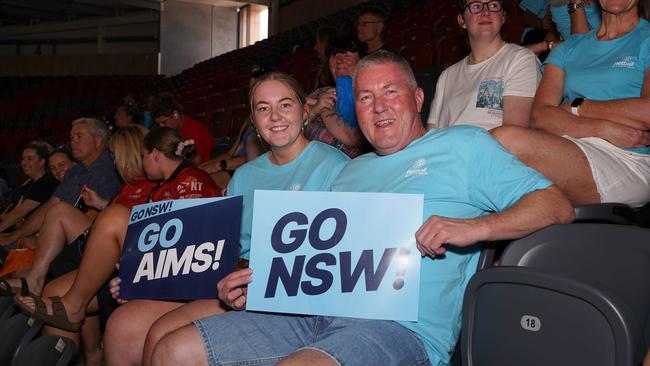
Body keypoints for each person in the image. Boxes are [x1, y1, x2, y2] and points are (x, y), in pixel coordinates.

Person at [149, 51, 573, 366]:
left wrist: (474, 227)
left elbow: (556, 206)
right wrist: (250, 287)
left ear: (419, 97)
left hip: (398, 329)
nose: (379, 106)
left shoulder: (462, 145)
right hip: (312, 314)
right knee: (172, 351)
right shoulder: (350, 172)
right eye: (366, 98)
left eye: (391, 92)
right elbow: (315, 261)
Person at [104, 72, 349, 366]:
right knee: (122, 324)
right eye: (263, 108)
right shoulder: (245, 175)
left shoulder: (336, 168)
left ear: (304, 111)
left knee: (162, 335)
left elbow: (341, 260)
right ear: (254, 121)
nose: (274, 116)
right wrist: (141, 276)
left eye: (285, 105)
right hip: (234, 286)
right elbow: (211, 249)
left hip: (288, 299)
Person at [13, 125, 156, 366]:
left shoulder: (159, 185)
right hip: (104, 252)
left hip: (131, 262)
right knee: (55, 285)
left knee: (58, 291)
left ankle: (88, 352)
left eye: (118, 156)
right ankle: (89, 355)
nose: (115, 162)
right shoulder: (126, 187)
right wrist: (101, 204)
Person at [491, 0, 650, 207]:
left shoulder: (646, 39)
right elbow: (540, 117)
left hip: (626, 159)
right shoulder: (569, 48)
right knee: (474, 146)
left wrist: (580, 106)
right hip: (570, 145)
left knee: (504, 141)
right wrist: (604, 128)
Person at [0, 117, 122, 295]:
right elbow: (50, 205)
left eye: (79, 136)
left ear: (97, 140)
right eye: (71, 137)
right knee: (15, 268)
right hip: (65, 239)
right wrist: (14, 235)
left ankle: (35, 281)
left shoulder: (106, 169)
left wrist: (38, 241)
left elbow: (96, 219)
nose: (73, 141)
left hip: (93, 242)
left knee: (59, 213)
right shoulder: (75, 171)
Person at [427, 0, 541, 130]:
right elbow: (432, 137)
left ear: (503, 17)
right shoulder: (446, 76)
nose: (486, 12)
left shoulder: (520, 60)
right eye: (476, 6)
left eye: (493, 5)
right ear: (462, 21)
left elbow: (515, 134)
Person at [305, 36, 368, 158]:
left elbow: (353, 138)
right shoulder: (319, 93)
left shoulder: (367, 96)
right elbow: (291, 127)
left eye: (346, 55)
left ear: (361, 62)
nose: (339, 60)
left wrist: (324, 108)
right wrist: (315, 108)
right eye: (334, 55)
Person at [0, 143, 59, 234]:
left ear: (42, 162)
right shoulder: (31, 183)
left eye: (30, 159)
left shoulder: (45, 182)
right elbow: (16, 211)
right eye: (23, 159)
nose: (24, 162)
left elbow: (19, 214)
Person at [150, 93, 214, 165]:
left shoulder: (192, 129)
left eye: (164, 122)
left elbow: (197, 163)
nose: (161, 126)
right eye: (159, 123)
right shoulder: (175, 130)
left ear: (175, 115)